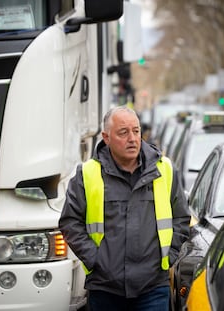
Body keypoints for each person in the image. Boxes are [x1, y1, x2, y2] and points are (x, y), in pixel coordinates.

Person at [59, 106, 190, 311]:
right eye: (123, 132)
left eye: (136, 131)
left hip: (153, 287)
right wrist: (96, 260)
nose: (132, 138)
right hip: (105, 289)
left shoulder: (164, 169)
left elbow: (181, 218)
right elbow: (69, 222)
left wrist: (169, 255)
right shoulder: (87, 174)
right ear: (106, 137)